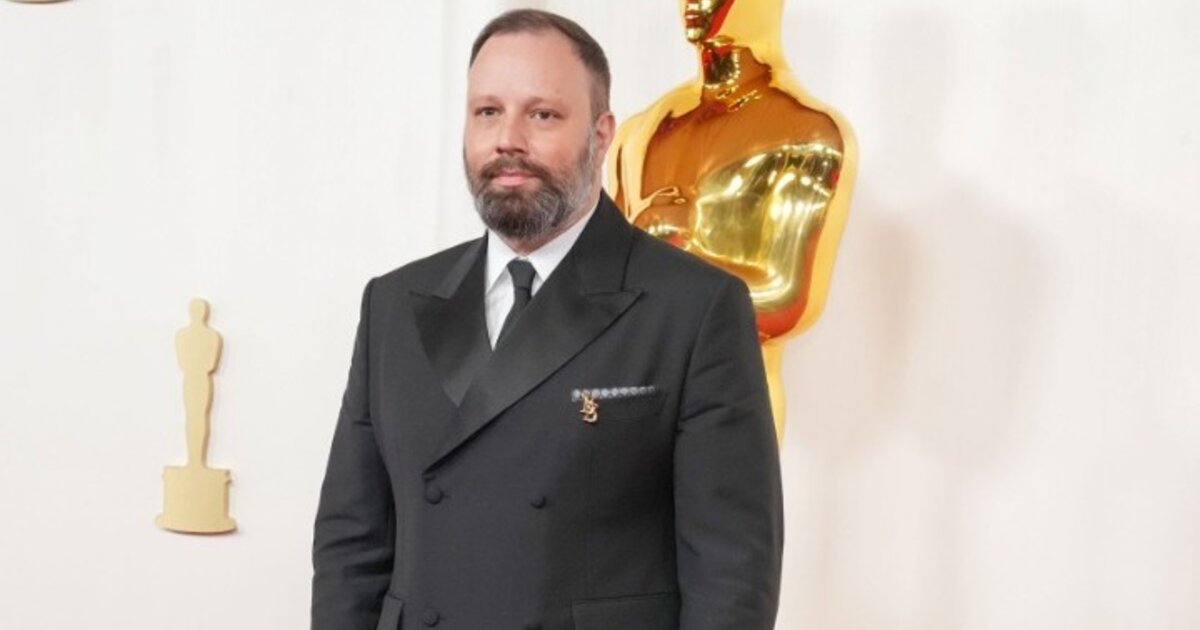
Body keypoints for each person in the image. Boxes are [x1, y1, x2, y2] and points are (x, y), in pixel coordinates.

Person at [312, 9, 783, 630]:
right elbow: (350, 547)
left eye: (543, 115)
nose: (508, 138)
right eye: (488, 112)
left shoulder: (694, 308)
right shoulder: (393, 304)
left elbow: (731, 573)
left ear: (601, 134)